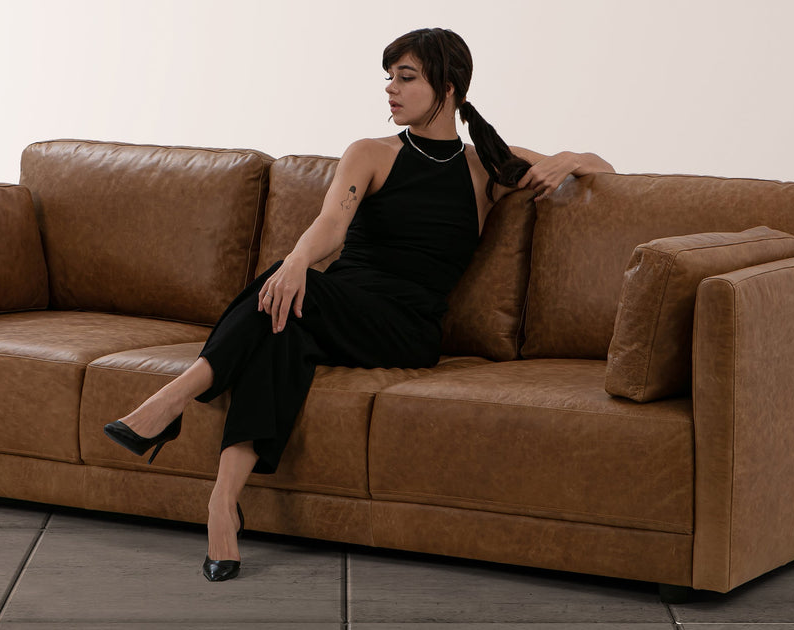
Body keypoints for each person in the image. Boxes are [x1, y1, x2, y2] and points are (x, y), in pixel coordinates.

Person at [103, 27, 615, 582]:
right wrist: (299, 260)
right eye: (388, 78)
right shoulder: (371, 154)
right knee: (282, 328)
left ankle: (175, 398)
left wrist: (569, 158)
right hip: (342, 304)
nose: (390, 90)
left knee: (286, 295)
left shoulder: (483, 167)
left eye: (405, 77)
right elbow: (332, 223)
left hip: (407, 330)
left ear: (448, 87)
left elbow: (606, 173)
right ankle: (222, 505)